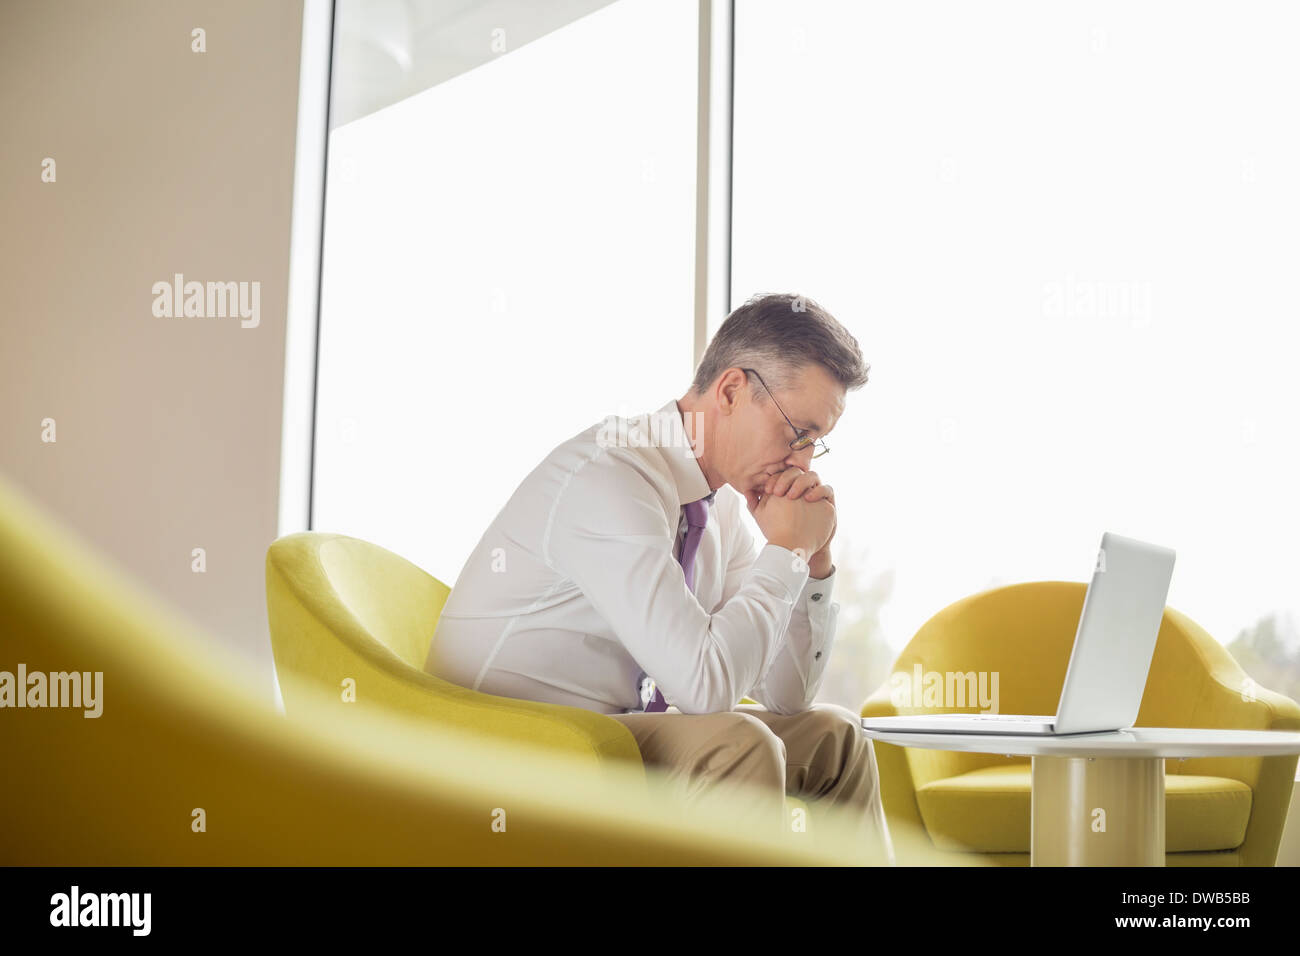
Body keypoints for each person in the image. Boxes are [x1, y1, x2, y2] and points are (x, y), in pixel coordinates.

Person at [425, 292, 893, 862]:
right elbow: (703, 687)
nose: (803, 464)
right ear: (731, 391)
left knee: (836, 740)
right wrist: (787, 550)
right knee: (736, 744)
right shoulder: (610, 474)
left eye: (815, 443)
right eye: (797, 433)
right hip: (509, 744)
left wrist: (812, 563)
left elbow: (786, 695)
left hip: (605, 739)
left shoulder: (718, 509)